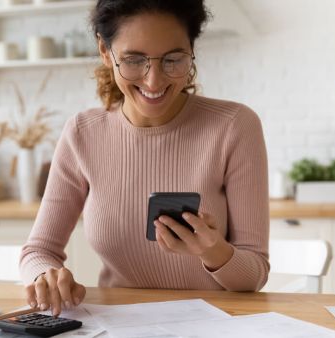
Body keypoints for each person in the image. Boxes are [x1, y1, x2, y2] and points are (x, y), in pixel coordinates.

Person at [20, 0, 270, 316]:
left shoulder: (234, 125)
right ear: (104, 50)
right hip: (119, 324)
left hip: (213, 323)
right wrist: (45, 275)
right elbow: (38, 251)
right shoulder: (83, 133)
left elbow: (254, 274)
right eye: (134, 60)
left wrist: (214, 250)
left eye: (173, 59)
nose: (153, 81)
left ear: (191, 49)